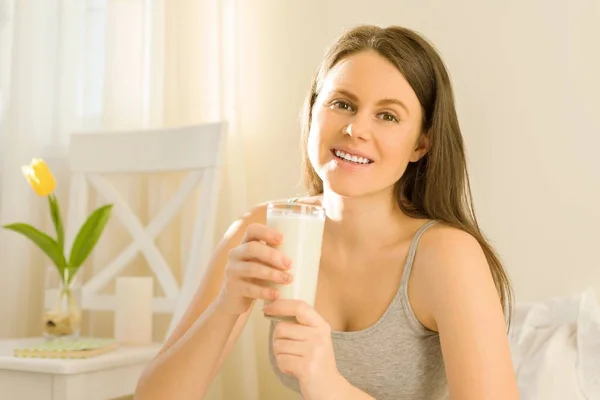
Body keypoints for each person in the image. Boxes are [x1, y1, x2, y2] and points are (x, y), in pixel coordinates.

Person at [134, 25, 519, 400]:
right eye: (342, 104)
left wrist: (329, 386)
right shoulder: (264, 230)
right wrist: (225, 308)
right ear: (313, 111)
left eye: (387, 116)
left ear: (422, 143)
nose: (355, 129)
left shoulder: (446, 256)